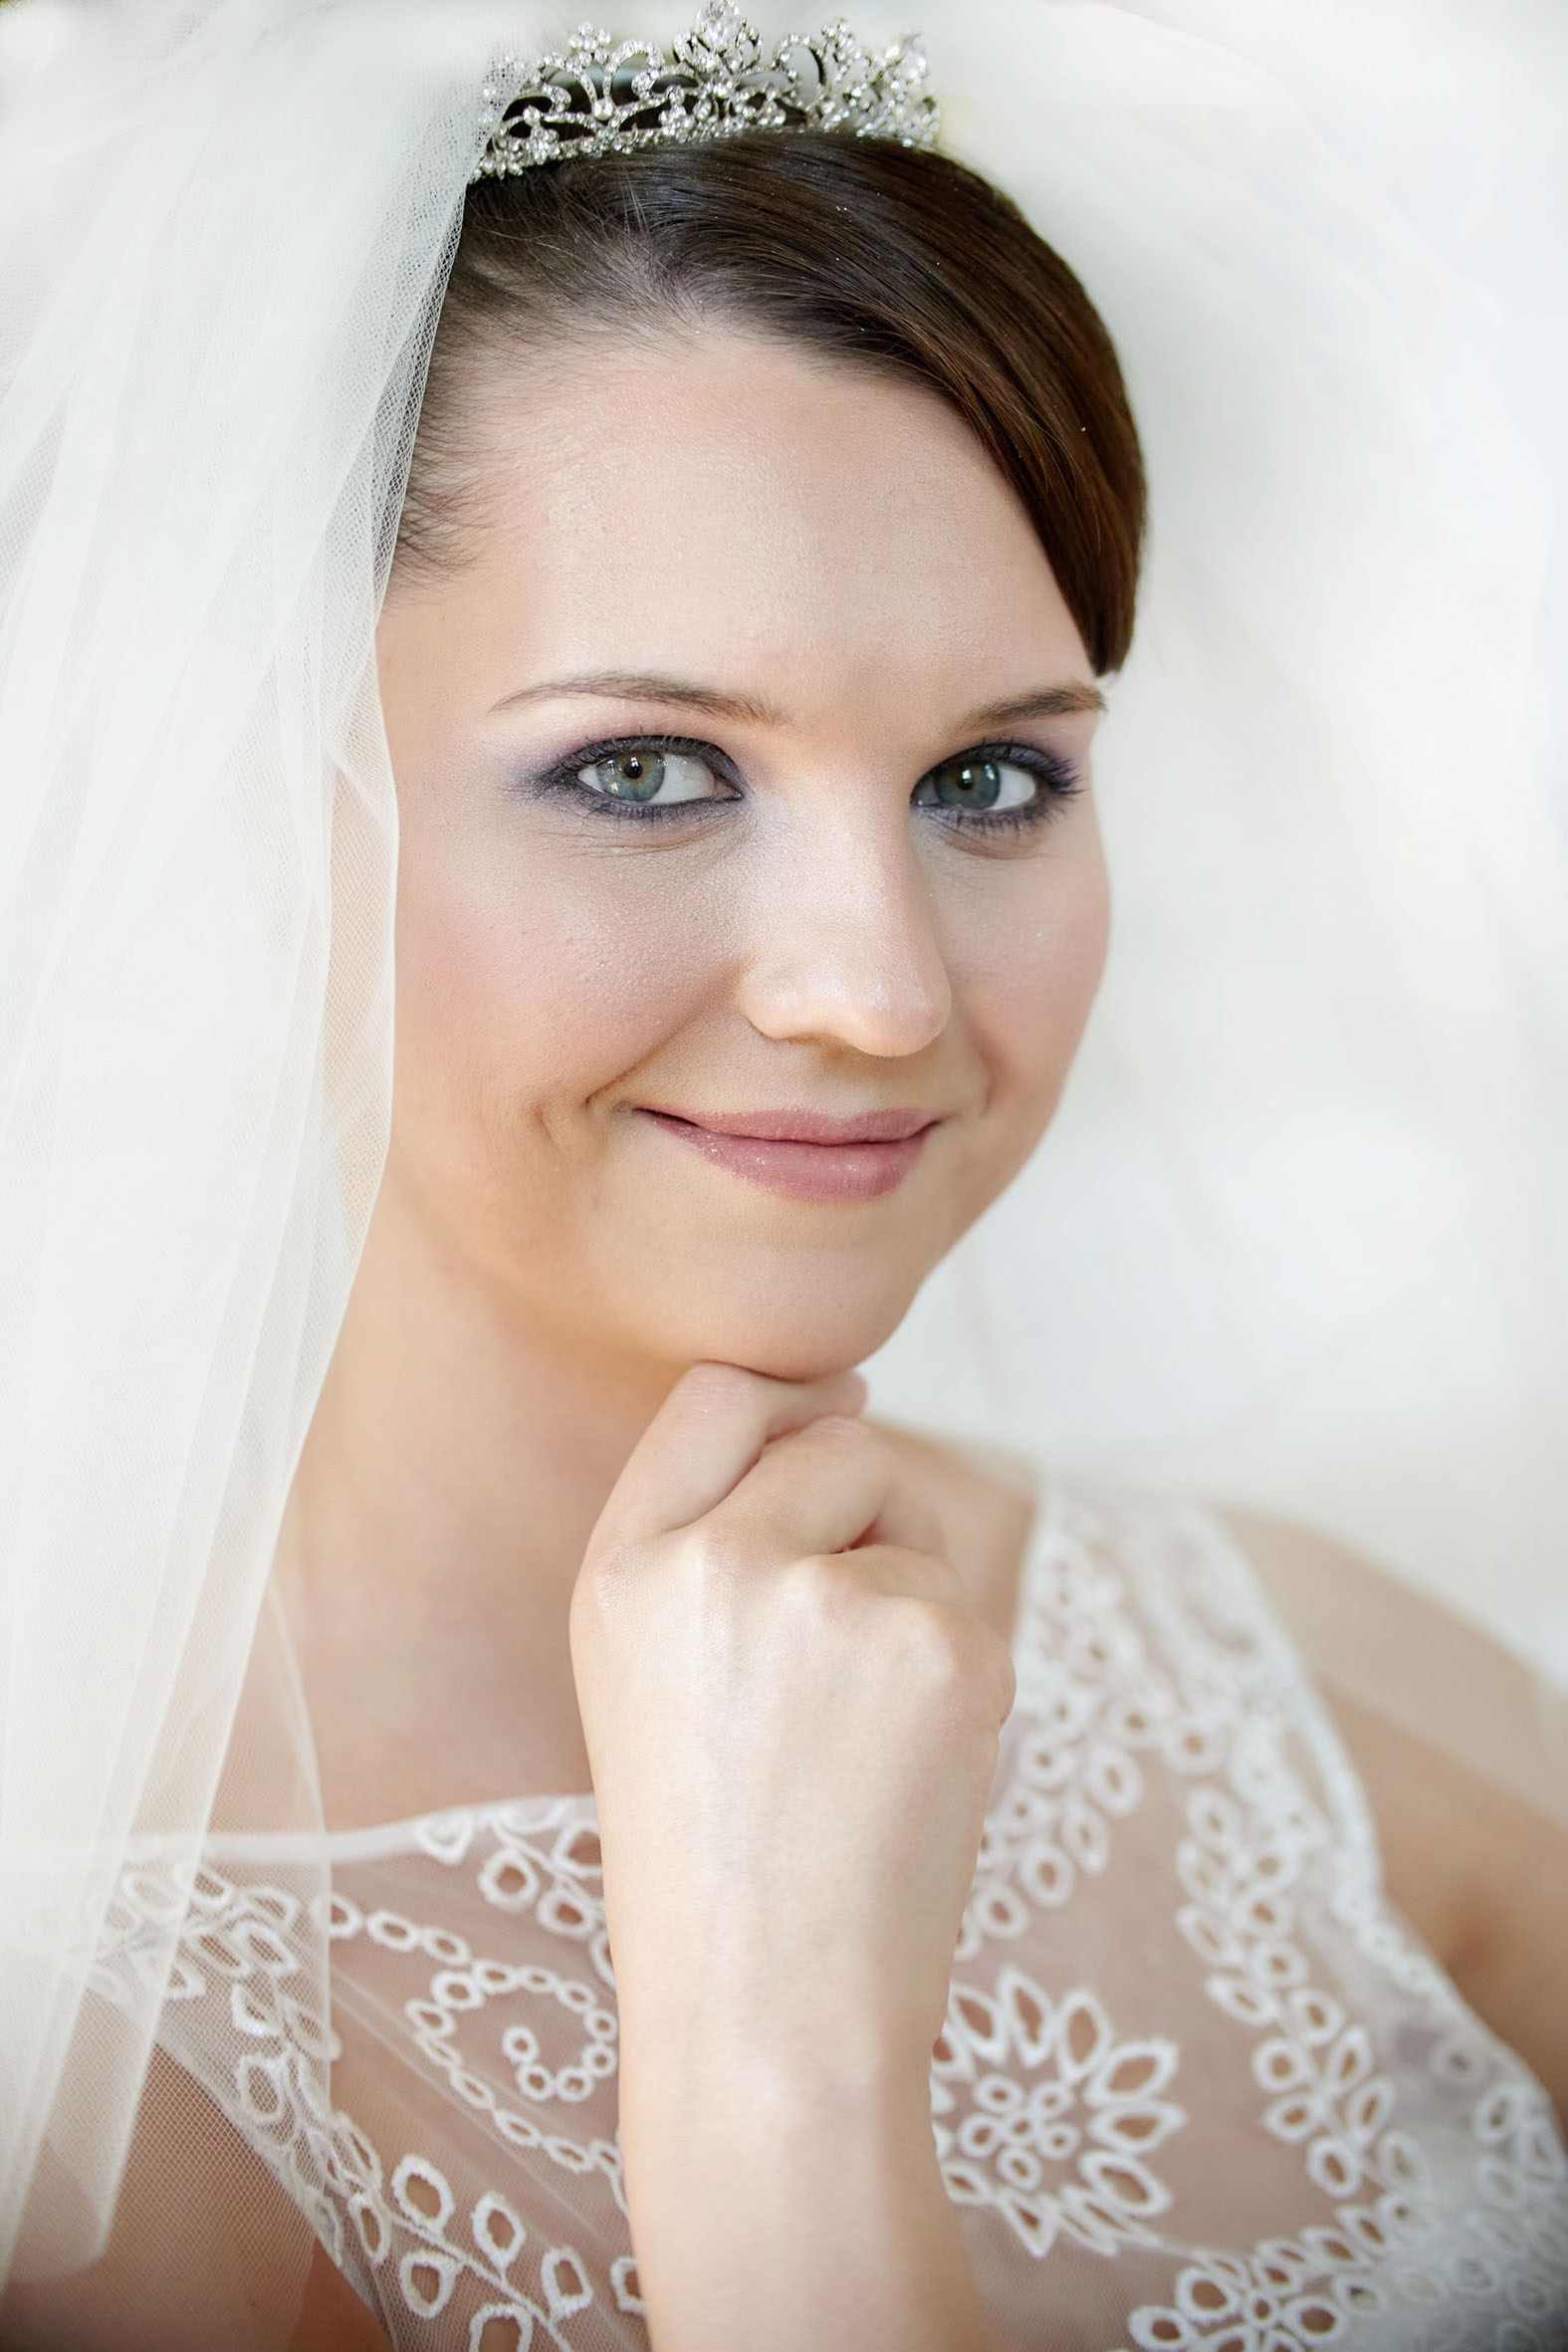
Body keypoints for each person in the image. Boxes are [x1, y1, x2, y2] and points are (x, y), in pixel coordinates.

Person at [1, 3, 1566, 2348]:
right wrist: (768, 2060)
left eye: (988, 782)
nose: (878, 991)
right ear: (264, 810)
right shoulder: (83, 2079)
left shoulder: (1329, 1708)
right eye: (643, 769)